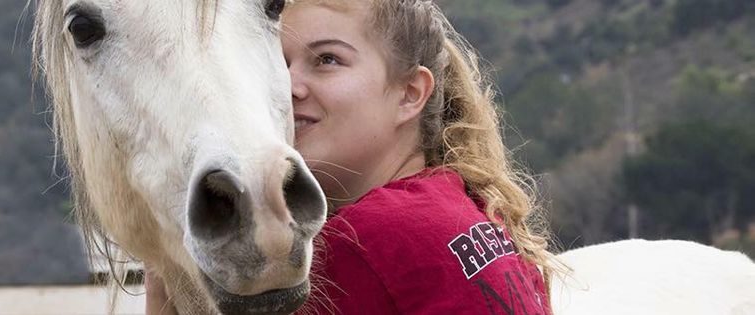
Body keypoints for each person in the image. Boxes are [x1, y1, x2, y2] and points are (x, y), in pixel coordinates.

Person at [148, 0, 555, 313]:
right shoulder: (470, 210)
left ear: (410, 93)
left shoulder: (363, 241)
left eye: (327, 60)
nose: (288, 86)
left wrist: (162, 259)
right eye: (280, 63)